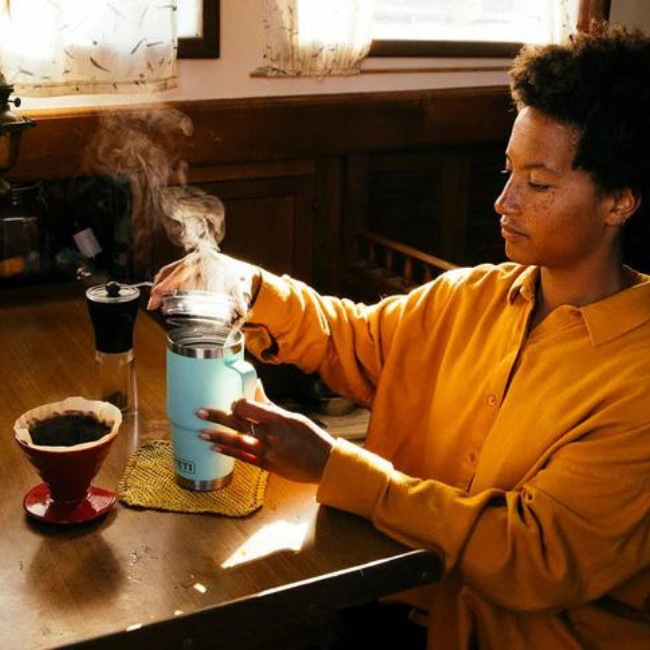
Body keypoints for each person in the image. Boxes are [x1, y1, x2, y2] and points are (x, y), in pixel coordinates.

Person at [148, 25, 650, 649]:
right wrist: (249, 284)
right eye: (508, 172)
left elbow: (532, 556)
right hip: (391, 594)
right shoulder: (472, 295)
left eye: (538, 184)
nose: (504, 201)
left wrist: (334, 465)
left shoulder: (638, 378)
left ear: (619, 202)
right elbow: (353, 338)